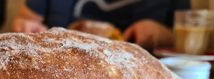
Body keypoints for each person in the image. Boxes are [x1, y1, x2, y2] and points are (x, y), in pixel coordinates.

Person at [12, 0, 191, 50]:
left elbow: (187, 39)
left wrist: (161, 33)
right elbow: (27, 18)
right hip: (57, 66)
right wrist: (28, 26)